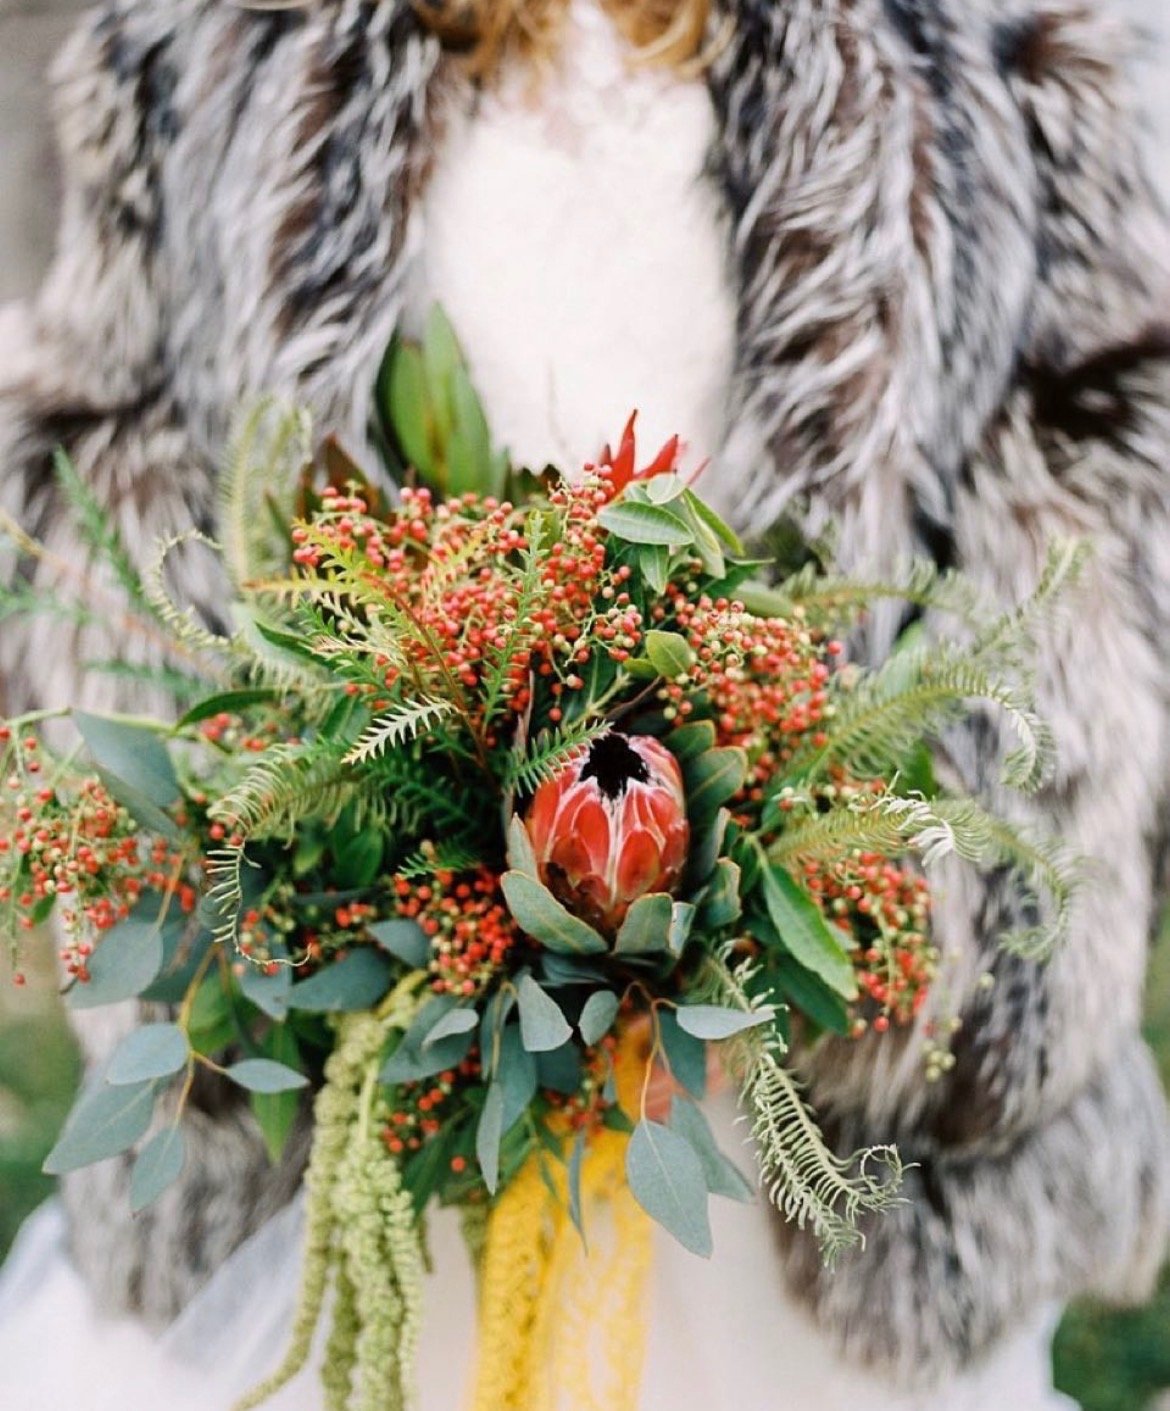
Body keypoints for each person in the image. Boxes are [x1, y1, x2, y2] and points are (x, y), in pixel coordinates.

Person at [1, 0, 1168, 1406]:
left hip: (800, 1100)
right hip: (380, 1058)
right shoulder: (194, 49)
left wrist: (897, 928)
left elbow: (1097, 515)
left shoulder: (1012, 49)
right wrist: (267, 885)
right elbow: (113, 480)